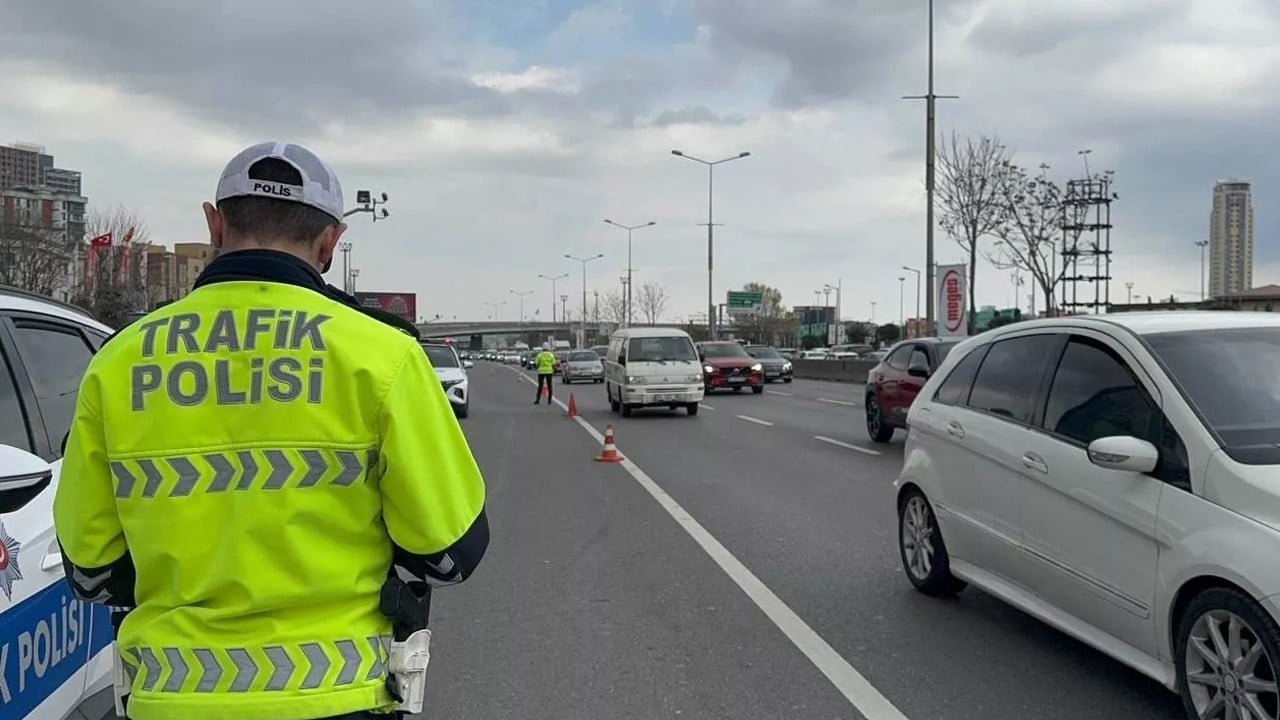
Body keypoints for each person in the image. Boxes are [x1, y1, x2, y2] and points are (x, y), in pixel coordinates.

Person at [52, 141, 489, 720]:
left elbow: (90, 568)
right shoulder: (382, 355)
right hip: (338, 695)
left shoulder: (119, 361)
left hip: (171, 699)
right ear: (330, 241)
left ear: (214, 224)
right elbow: (451, 551)